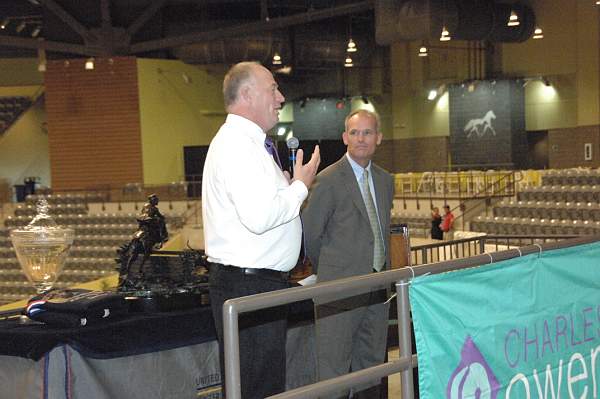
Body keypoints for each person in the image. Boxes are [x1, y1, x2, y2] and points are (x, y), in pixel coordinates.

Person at [201, 61, 320, 398]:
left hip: (255, 284)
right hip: (248, 285)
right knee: (256, 387)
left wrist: (288, 188)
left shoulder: (248, 145)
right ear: (248, 94)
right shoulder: (238, 147)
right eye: (273, 89)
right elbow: (260, 217)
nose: (281, 97)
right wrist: (300, 187)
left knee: (259, 385)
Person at [302, 109, 394, 399]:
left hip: (377, 288)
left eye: (367, 132)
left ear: (378, 138)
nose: (361, 139)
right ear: (345, 138)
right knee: (334, 372)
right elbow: (310, 235)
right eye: (354, 133)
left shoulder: (385, 180)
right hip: (338, 290)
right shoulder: (327, 180)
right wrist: (332, 271)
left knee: (371, 369)